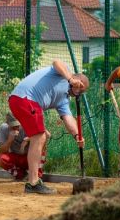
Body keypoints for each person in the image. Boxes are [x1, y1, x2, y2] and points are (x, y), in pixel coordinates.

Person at [9, 59, 89, 195]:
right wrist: (70, 79)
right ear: (76, 79)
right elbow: (57, 62)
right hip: (25, 99)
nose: (78, 93)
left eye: (82, 91)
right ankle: (33, 183)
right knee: (40, 136)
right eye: (79, 87)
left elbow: (68, 118)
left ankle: (34, 180)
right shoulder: (63, 73)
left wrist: (77, 136)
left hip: (24, 102)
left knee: (41, 136)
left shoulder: (63, 100)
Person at [0, 112, 40, 181]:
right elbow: (2, 151)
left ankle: (37, 174)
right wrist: (9, 140)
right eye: (13, 126)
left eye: (18, 125)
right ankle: (21, 175)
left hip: (30, 157)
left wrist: (29, 139)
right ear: (7, 123)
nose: (16, 128)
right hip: (16, 157)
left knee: (42, 150)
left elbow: (44, 137)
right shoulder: (3, 128)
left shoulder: (29, 125)